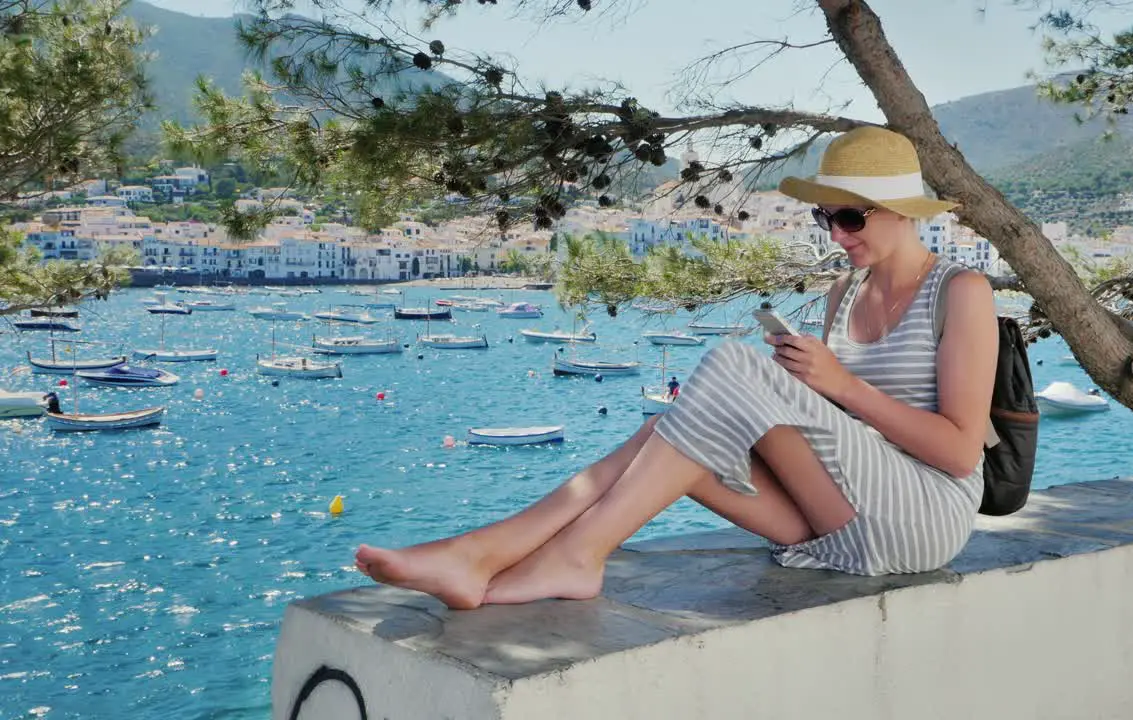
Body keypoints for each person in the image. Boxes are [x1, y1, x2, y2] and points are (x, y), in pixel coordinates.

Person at [353, 126, 999, 609]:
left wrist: (841, 385)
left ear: (900, 212)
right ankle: (481, 552)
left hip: (923, 518)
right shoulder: (843, 295)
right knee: (669, 429)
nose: (835, 235)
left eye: (850, 217)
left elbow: (962, 453)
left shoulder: (960, 292)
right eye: (824, 217)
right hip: (841, 523)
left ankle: (571, 556)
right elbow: (833, 431)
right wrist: (809, 389)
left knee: (729, 367)